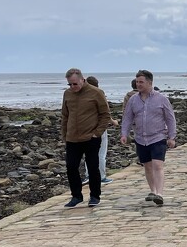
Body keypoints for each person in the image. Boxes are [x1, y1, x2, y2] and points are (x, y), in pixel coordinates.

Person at [120, 69, 176, 206]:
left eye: (141, 82)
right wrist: (124, 134)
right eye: (137, 82)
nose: (138, 84)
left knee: (158, 165)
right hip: (140, 138)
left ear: (149, 82)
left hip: (158, 137)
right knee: (148, 166)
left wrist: (172, 137)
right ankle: (153, 190)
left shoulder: (161, 99)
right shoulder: (133, 100)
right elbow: (127, 118)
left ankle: (159, 194)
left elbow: (170, 118)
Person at [61, 68, 111, 208]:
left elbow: (105, 114)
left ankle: (95, 196)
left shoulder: (96, 93)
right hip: (72, 138)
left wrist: (97, 133)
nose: (72, 87)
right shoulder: (67, 94)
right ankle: (76, 196)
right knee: (71, 167)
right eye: (69, 84)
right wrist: (64, 134)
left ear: (82, 80)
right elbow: (65, 115)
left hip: (91, 138)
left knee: (93, 167)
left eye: (75, 84)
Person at [85, 76, 114, 183]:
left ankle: (88, 175)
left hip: (86, 128)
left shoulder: (82, 95)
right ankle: (101, 176)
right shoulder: (99, 93)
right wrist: (113, 121)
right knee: (101, 154)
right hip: (99, 128)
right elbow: (104, 112)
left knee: (88, 153)